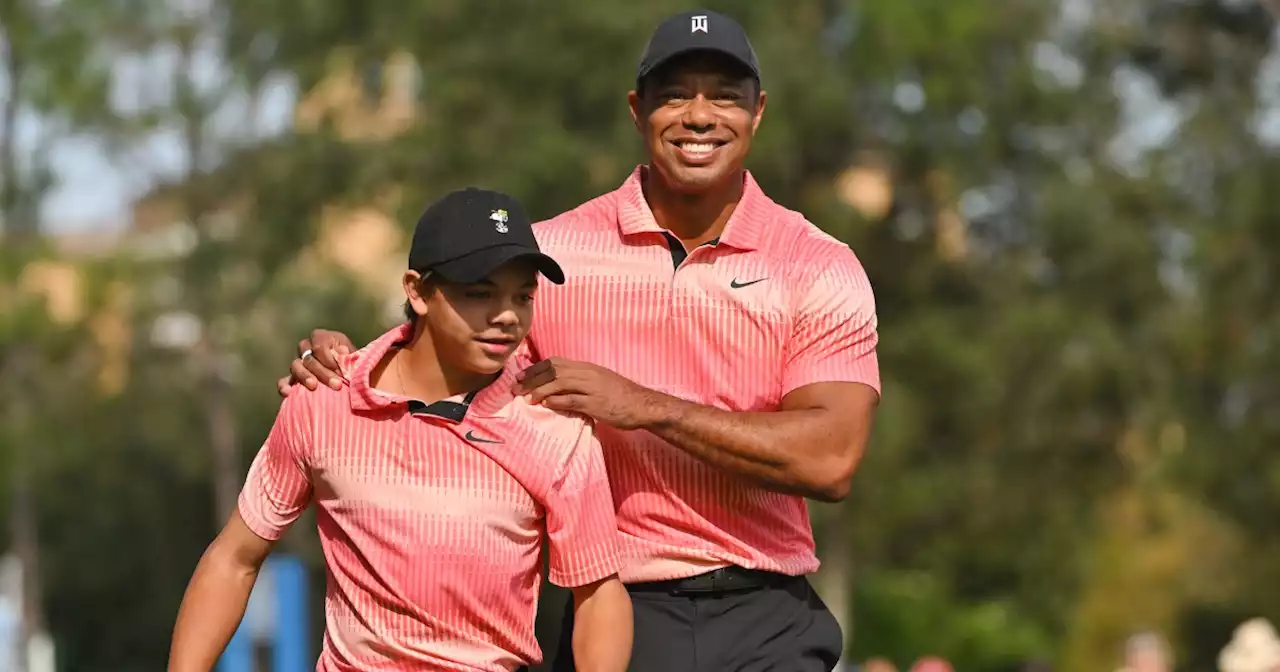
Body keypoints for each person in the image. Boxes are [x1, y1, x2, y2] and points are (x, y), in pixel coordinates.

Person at [281, 9, 880, 671]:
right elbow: (440, 360)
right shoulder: (553, 255)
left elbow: (831, 460)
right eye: (676, 94)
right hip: (616, 611)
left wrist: (647, 407)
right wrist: (343, 362)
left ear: (757, 111)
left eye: (725, 96)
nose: (701, 115)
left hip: (768, 617)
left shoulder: (818, 263)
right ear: (636, 109)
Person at [169, 189, 633, 672]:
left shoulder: (552, 422)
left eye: (523, 296)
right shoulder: (326, 397)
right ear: (417, 290)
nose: (507, 316)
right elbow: (235, 558)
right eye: (480, 293)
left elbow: (599, 593)